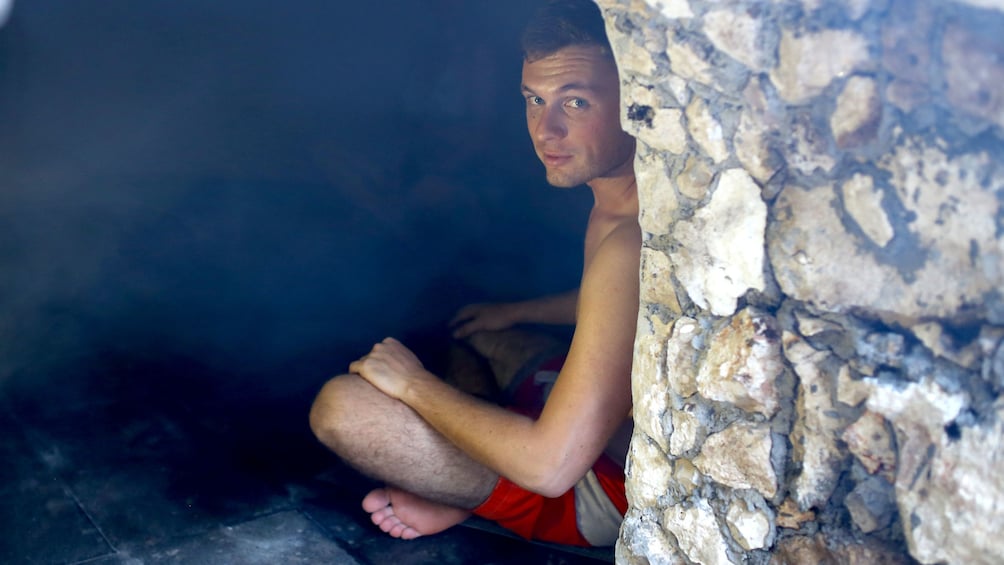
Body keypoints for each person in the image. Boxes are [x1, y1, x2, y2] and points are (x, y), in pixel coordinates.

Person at [309, 0, 639, 548]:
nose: (546, 129)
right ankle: (470, 475)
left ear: (638, 103)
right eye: (534, 100)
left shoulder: (630, 240)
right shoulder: (617, 200)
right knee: (482, 332)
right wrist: (519, 311)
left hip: (599, 491)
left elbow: (552, 467)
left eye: (576, 102)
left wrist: (413, 386)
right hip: (588, 435)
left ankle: (467, 500)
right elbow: (613, 305)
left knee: (341, 408)